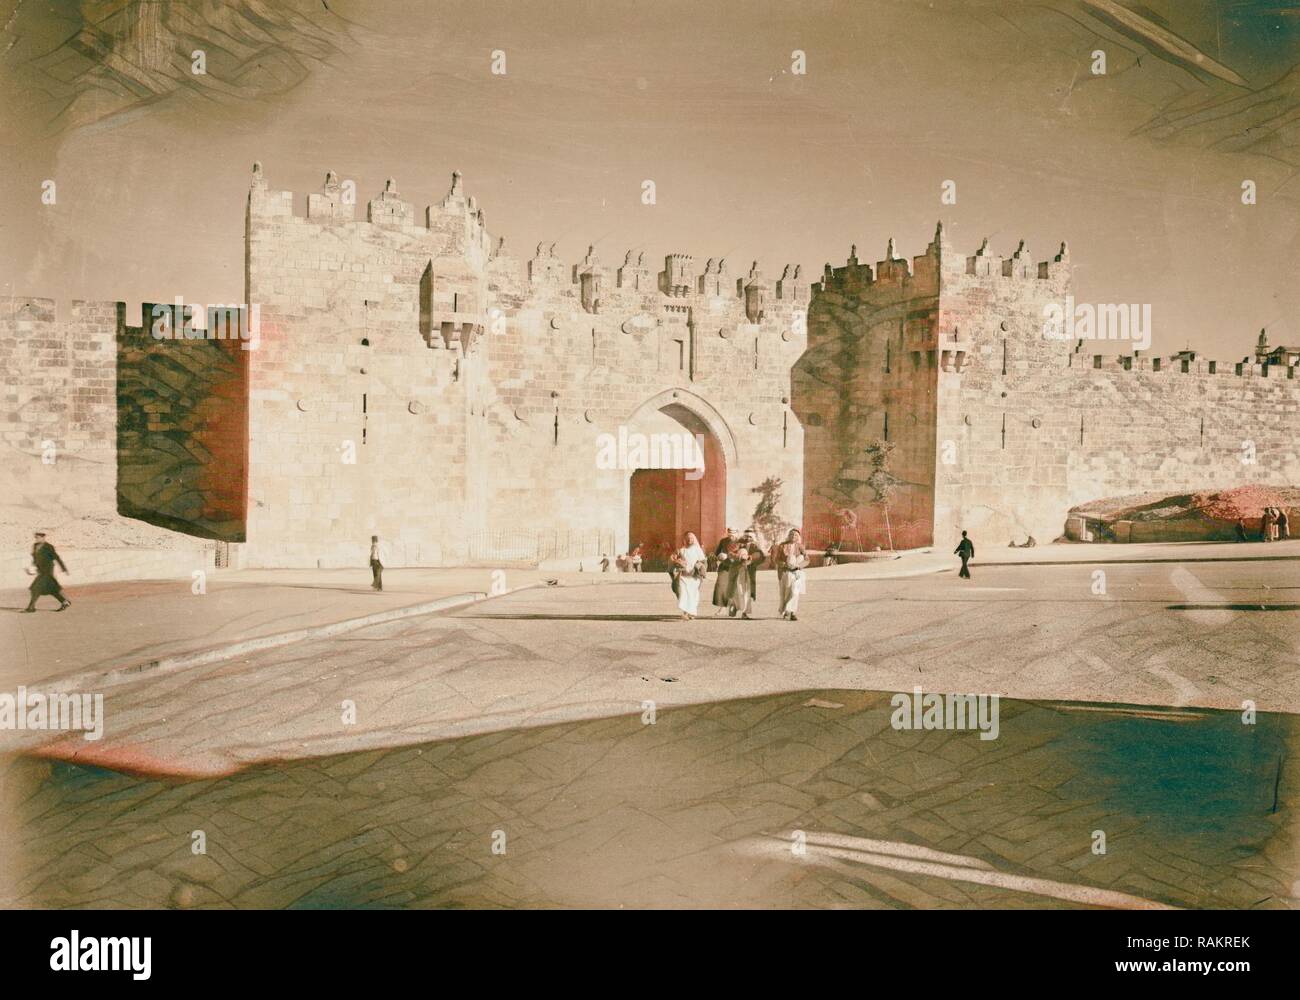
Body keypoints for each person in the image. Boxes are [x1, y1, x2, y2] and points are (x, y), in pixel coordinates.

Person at [23, 532, 70, 612]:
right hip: (41, 571)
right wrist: (32, 567)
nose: (37, 539)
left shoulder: (49, 547)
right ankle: (64, 602)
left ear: (43, 538)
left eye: (38, 537)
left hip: (47, 571)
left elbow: (57, 558)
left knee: (35, 588)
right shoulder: (35, 546)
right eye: (36, 537)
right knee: (52, 590)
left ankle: (31, 608)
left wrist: (64, 568)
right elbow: (35, 557)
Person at [772, 528, 808, 621]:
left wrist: (799, 566)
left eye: (795, 535)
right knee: (786, 593)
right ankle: (786, 611)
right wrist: (784, 564)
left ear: (798, 537)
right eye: (791, 534)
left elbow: (807, 559)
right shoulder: (782, 546)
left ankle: (792, 612)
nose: (793, 536)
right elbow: (776, 559)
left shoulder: (801, 546)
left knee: (795, 592)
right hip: (785, 573)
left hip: (797, 573)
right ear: (788, 536)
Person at [671, 532, 707, 620]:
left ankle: (692, 612)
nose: (690, 540)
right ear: (684, 539)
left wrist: (698, 568)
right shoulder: (681, 550)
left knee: (693, 594)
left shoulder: (697, 550)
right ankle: (685, 612)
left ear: (694, 539)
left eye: (691, 538)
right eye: (688, 538)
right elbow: (673, 558)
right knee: (683, 592)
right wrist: (677, 562)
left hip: (694, 576)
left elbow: (703, 562)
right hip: (683, 575)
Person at [735, 528, 766, 619]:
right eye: (746, 536)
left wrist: (751, 558)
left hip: (750, 571)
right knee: (738, 590)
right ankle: (736, 608)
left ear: (753, 537)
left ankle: (744, 612)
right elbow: (732, 553)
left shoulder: (755, 546)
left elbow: (761, 556)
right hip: (739, 570)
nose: (748, 538)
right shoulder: (739, 545)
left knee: (747, 592)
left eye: (750, 536)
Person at [711, 528, 741, 616]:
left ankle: (733, 607)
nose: (731, 535)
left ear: (737, 533)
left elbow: (744, 554)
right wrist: (719, 557)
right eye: (729, 533)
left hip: (736, 567)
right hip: (724, 566)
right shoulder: (723, 541)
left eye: (733, 533)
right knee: (720, 586)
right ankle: (723, 607)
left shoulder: (741, 542)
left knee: (734, 588)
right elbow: (717, 553)